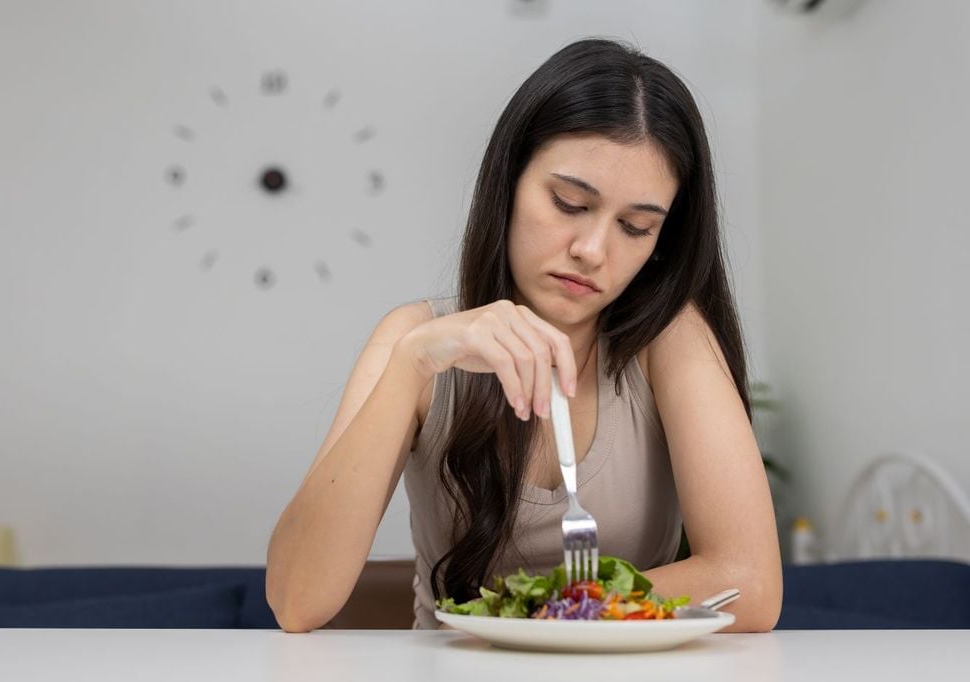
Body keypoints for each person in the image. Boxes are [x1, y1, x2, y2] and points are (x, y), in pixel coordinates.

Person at [266, 37, 782, 633]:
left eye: (635, 227)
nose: (592, 250)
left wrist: (534, 612)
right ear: (508, 182)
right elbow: (297, 600)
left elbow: (750, 583)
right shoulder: (413, 341)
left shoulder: (669, 341)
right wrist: (409, 367)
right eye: (569, 203)